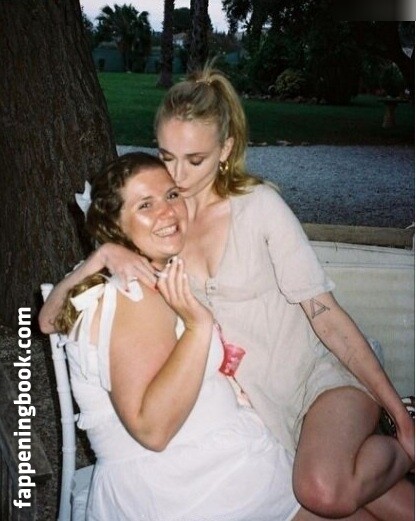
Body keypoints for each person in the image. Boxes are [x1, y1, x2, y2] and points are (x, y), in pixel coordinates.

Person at [40, 65, 414, 521]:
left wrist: (400, 418)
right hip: (264, 408)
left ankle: (404, 435)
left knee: (324, 491)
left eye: (194, 159)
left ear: (226, 150)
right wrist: (101, 255)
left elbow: (327, 316)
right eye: (166, 156)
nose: (177, 175)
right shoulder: (165, 227)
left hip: (318, 382)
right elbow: (49, 319)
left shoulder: (258, 207)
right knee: (376, 501)